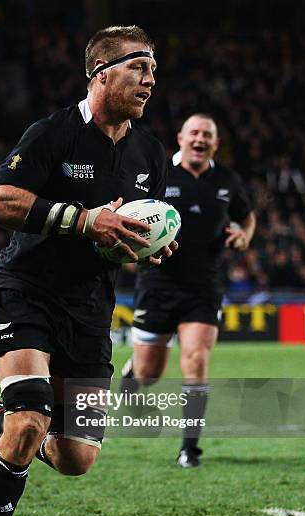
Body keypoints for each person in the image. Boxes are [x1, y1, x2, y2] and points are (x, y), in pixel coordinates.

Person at [0, 25, 178, 516]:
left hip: (90, 307)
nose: (150, 80)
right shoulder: (52, 133)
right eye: (140, 68)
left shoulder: (150, 153)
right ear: (102, 72)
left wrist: (142, 245)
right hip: (27, 289)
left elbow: (120, 233)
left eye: (154, 71)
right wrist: (85, 219)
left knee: (77, 457)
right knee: (30, 419)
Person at [119, 114, 256, 468]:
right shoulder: (159, 174)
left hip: (204, 288)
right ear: (180, 137)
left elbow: (247, 216)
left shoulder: (227, 180)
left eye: (207, 135)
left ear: (215, 142)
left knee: (196, 363)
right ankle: (133, 372)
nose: (200, 139)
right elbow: (130, 212)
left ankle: (189, 449)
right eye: (194, 133)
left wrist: (244, 234)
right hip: (157, 284)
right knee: (149, 374)